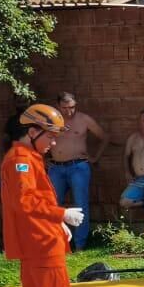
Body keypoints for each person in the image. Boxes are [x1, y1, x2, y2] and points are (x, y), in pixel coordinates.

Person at [0, 104, 83, 287]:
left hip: (39, 237)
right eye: (50, 136)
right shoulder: (21, 161)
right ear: (33, 131)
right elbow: (24, 203)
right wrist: (62, 215)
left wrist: (58, 223)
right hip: (40, 242)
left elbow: (34, 201)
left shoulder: (26, 158)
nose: (54, 142)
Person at [46, 93, 108, 251]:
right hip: (56, 167)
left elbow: (104, 137)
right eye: (65, 108)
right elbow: (39, 138)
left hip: (78, 166)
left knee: (81, 204)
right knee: (52, 203)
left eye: (72, 107)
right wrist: (43, 157)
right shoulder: (52, 120)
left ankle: (80, 245)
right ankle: (56, 242)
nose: (69, 111)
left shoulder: (84, 119)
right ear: (58, 106)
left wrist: (95, 157)